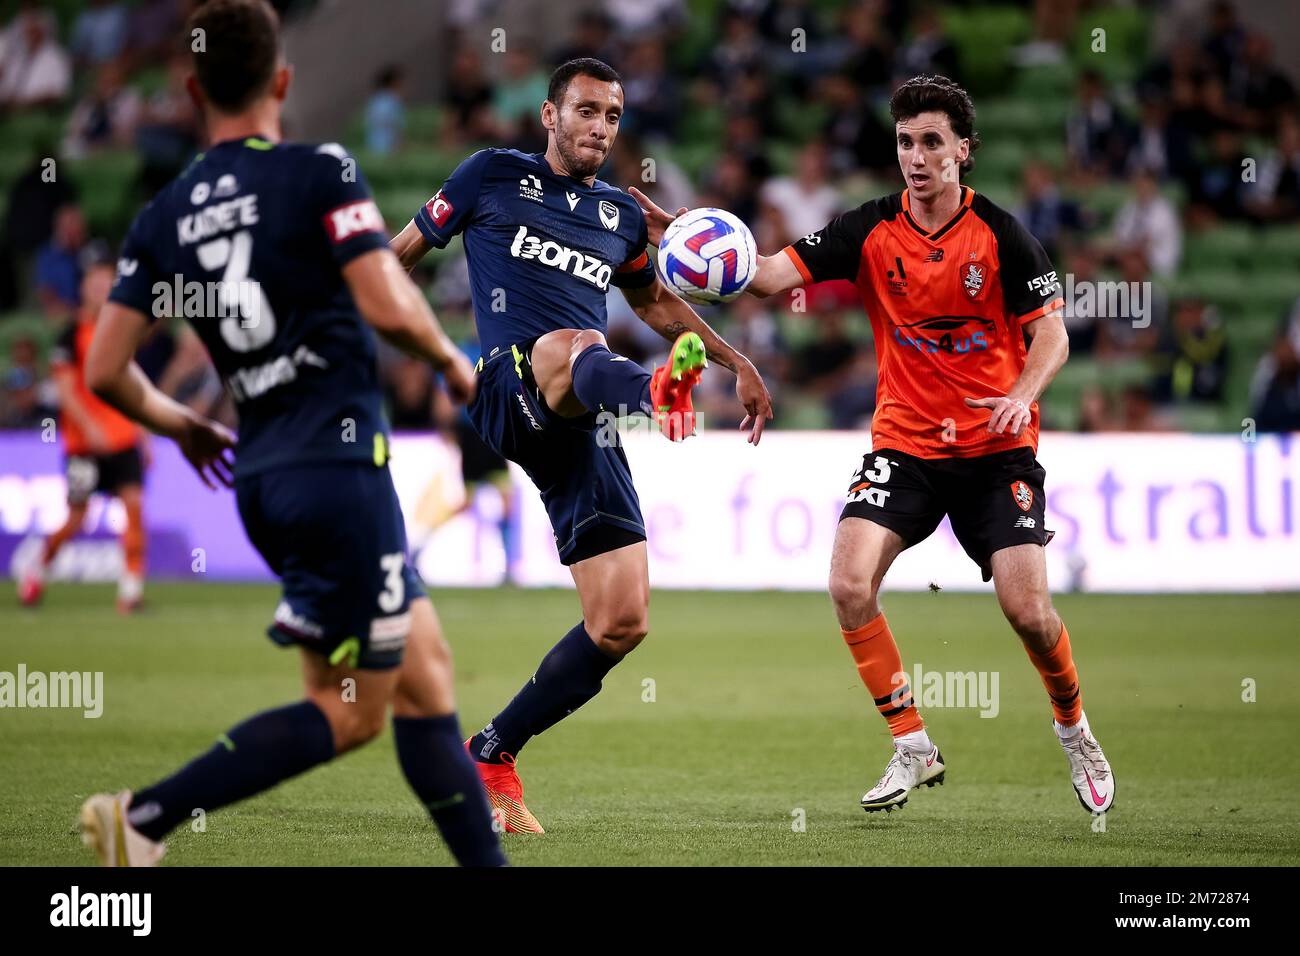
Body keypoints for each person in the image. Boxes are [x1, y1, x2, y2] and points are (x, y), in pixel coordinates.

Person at [77, 0, 504, 867]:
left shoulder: (166, 212)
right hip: (338, 472)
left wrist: (184, 423)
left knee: (425, 675)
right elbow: (384, 298)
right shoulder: (319, 171)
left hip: (264, 477)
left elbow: (107, 369)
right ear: (282, 79)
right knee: (350, 713)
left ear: (194, 89)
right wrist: (455, 366)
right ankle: (146, 818)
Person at [636, 74, 1115, 817]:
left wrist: (1022, 393)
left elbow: (1051, 333)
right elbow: (763, 278)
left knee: (1028, 611)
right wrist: (696, 237)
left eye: (932, 143)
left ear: (964, 150)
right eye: (905, 143)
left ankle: (1074, 727)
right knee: (849, 584)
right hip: (907, 446)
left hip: (996, 448)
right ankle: (913, 746)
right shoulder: (865, 229)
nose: (917, 157)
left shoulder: (1005, 237)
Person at [390, 56, 774, 833]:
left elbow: (660, 305)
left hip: (583, 412)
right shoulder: (490, 174)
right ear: (549, 115)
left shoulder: (622, 216)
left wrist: (739, 363)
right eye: (587, 111)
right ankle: (656, 394)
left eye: (613, 117)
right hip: (510, 382)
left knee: (622, 619)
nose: (600, 127)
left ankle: (493, 750)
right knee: (575, 338)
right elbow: (398, 255)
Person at [18, 261, 148, 613]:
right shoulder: (69, 335)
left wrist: (143, 432)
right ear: (84, 289)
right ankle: (36, 570)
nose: (103, 290)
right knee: (78, 516)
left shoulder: (122, 330)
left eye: (109, 283)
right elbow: (65, 390)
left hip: (122, 438)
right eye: (96, 284)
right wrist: (91, 427)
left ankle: (131, 593)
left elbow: (134, 385)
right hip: (84, 446)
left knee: (134, 506)